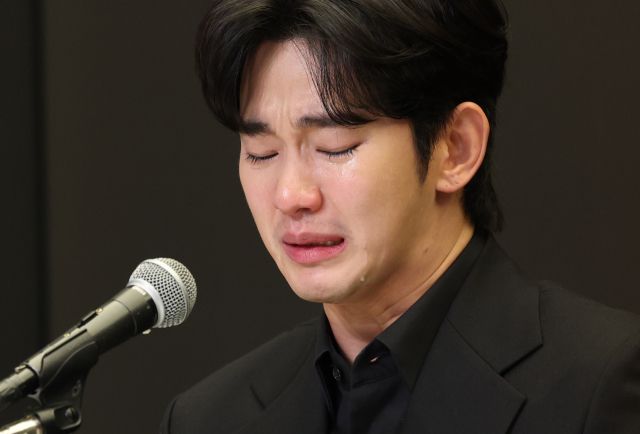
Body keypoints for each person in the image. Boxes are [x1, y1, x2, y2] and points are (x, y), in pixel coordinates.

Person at [161, 0, 640, 433]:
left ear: (456, 148)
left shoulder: (598, 382)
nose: (290, 196)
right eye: (261, 152)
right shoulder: (206, 419)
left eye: (335, 146)